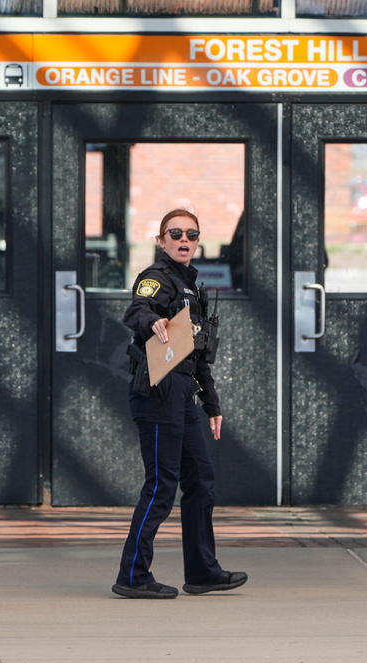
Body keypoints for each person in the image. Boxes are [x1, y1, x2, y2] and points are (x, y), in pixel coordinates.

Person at [112, 209, 247, 600]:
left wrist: (213, 405)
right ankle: (133, 575)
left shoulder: (192, 288)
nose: (183, 239)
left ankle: (203, 572)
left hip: (184, 395)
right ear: (161, 241)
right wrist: (149, 321)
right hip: (158, 393)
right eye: (175, 233)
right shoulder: (158, 278)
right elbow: (138, 308)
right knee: (161, 485)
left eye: (191, 233)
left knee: (201, 481)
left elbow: (197, 354)